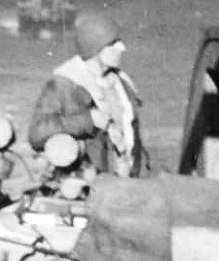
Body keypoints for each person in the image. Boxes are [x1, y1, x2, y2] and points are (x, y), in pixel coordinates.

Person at [29, 10, 151, 175]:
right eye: (113, 43)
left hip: (126, 181)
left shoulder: (120, 82)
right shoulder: (64, 84)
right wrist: (89, 120)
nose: (122, 47)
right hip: (88, 184)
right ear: (95, 48)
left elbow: (131, 134)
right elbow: (37, 132)